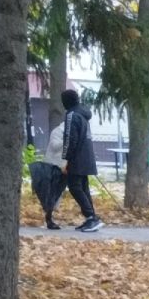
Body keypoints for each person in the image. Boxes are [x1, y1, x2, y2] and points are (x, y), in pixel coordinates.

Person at [52, 89, 104, 232]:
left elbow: (70, 139)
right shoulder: (83, 115)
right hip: (86, 157)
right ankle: (91, 218)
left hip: (76, 159)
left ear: (66, 102)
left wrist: (65, 160)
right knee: (83, 188)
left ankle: (91, 217)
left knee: (75, 187)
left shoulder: (71, 115)